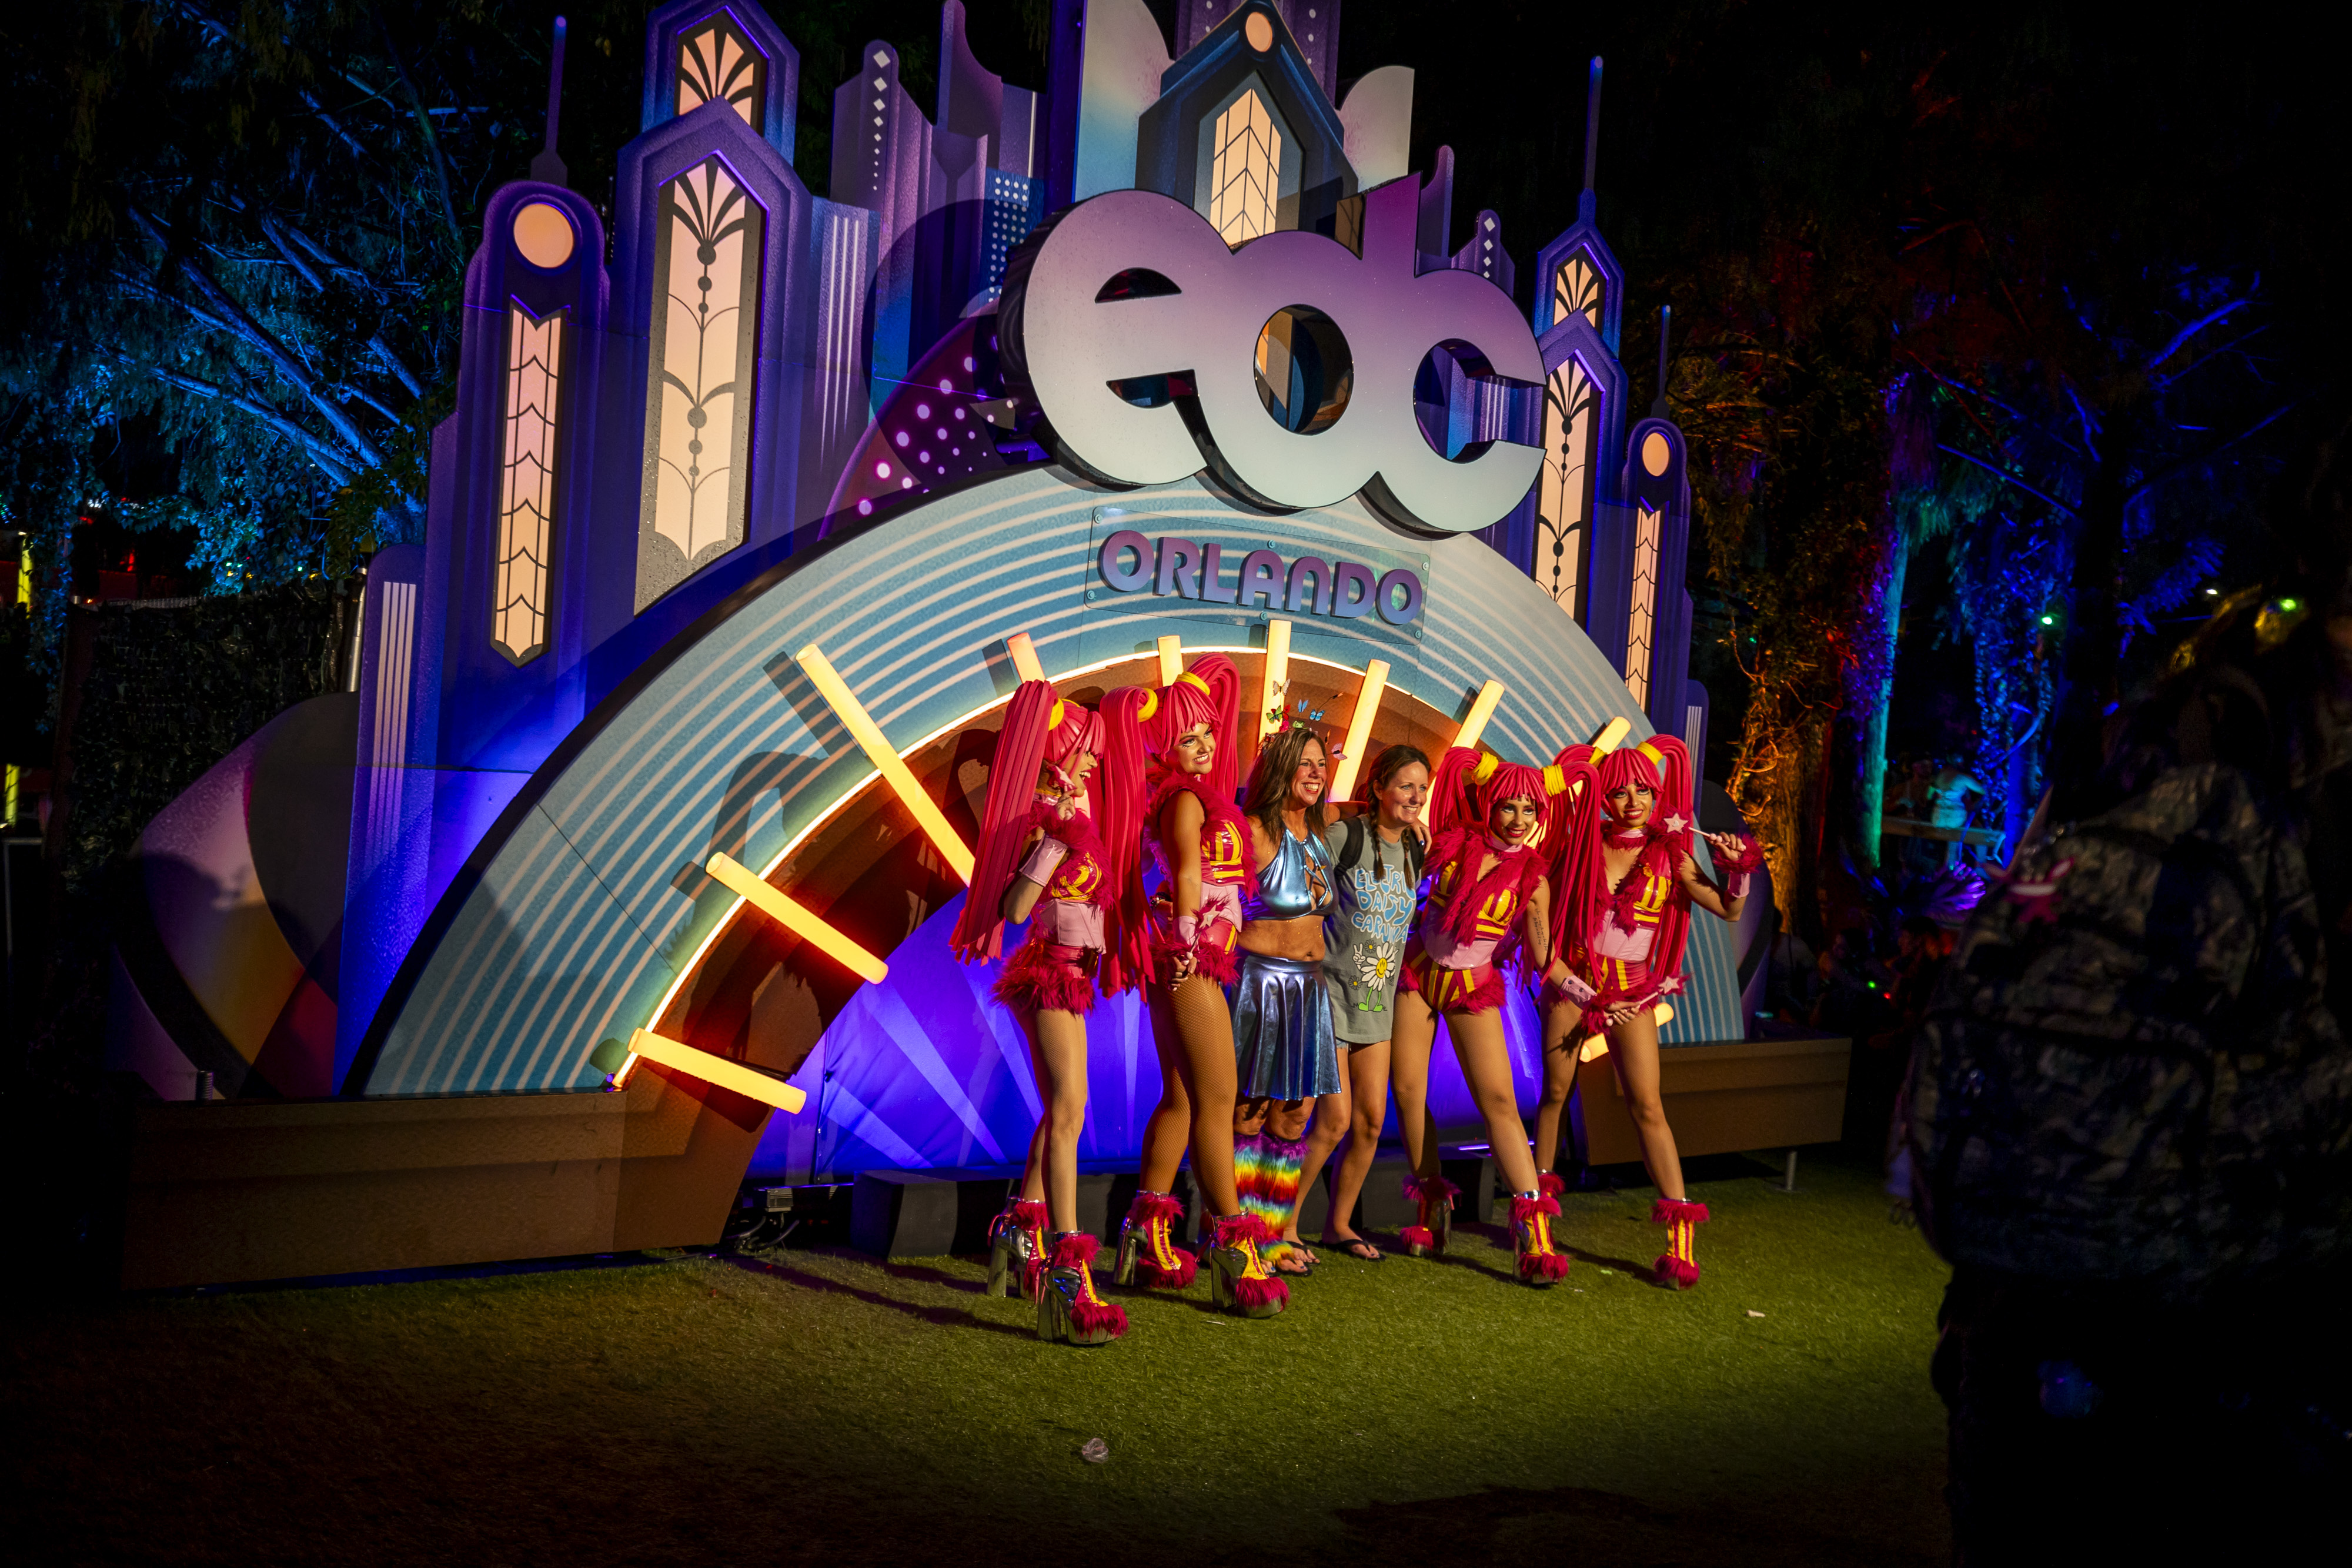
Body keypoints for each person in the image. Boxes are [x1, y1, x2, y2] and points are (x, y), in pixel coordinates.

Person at [949, 681, 1145, 1345]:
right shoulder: (1041, 820)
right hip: (1048, 976)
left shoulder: (1074, 814)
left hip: (1075, 977)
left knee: (1063, 1108)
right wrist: (1055, 843)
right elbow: (1013, 910)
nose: (1093, 762)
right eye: (1085, 751)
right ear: (1061, 751)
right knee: (1070, 1112)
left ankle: (1017, 1224)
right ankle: (1066, 1262)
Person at [1102, 657, 1289, 1318]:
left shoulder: (1206, 798)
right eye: (1189, 738)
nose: (1206, 746)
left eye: (1209, 733)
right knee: (1218, 1097)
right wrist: (1184, 941)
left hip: (1201, 953)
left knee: (1183, 1098)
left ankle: (1143, 1238)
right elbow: (1185, 872)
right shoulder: (1182, 799)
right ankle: (1233, 1246)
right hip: (1188, 957)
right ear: (1162, 747)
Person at [1540, 735, 1759, 1288]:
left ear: (1659, 792)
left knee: (1649, 1108)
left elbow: (1730, 910)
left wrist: (1739, 871)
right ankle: (1535, 1226)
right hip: (1574, 985)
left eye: (1644, 788)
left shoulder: (1673, 854)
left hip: (1633, 995)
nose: (1633, 799)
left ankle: (1681, 1245)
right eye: (1620, 790)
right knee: (1554, 1096)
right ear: (1603, 796)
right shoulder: (1579, 844)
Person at [1388, 745, 1583, 1285]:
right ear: (1489, 804)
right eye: (1508, 808)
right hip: (1418, 975)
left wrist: (1578, 986)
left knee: (1499, 1102)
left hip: (1474, 985)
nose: (1518, 821)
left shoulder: (1534, 880)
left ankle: (1533, 1230)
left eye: (1529, 811)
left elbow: (1544, 957)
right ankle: (1432, 1202)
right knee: (1407, 1091)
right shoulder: (1451, 845)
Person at [1307, 744, 1431, 1263]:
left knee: (1371, 1122)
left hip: (1377, 1003)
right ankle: (1282, 1225)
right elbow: (1306, 876)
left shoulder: (1417, 848)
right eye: (1405, 785)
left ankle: (1338, 1225)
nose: (1416, 797)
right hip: (1331, 995)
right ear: (1378, 788)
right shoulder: (1346, 835)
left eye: (1422, 789)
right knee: (1333, 1120)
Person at [1228, 726, 1339, 1273]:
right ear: (1280, 770)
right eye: (1306, 764)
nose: (1317, 773)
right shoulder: (1251, 831)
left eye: (1322, 763)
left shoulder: (1323, 832)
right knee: (1246, 1114)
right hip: (1260, 985)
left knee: (1294, 1117)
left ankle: (1275, 1233)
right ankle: (1239, 1236)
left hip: (1310, 988)